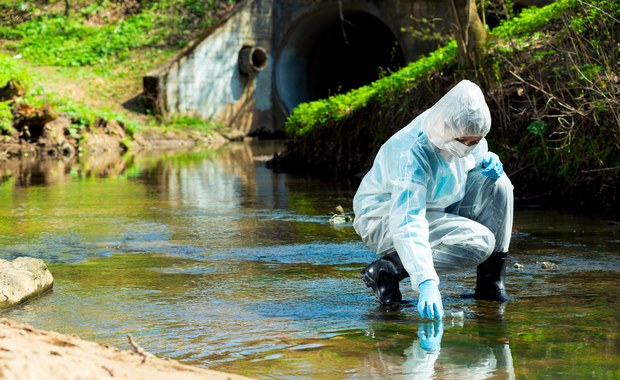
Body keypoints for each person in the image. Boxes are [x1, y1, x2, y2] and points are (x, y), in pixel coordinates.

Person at [352, 79, 514, 320]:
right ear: (449, 129)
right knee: (479, 242)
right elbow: (408, 220)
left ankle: (490, 284)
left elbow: (471, 159)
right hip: (384, 217)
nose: (469, 147)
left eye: (476, 141)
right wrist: (426, 282)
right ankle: (389, 269)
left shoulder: (465, 129)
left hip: (439, 204)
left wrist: (488, 157)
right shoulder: (412, 152)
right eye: (464, 141)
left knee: (499, 183)